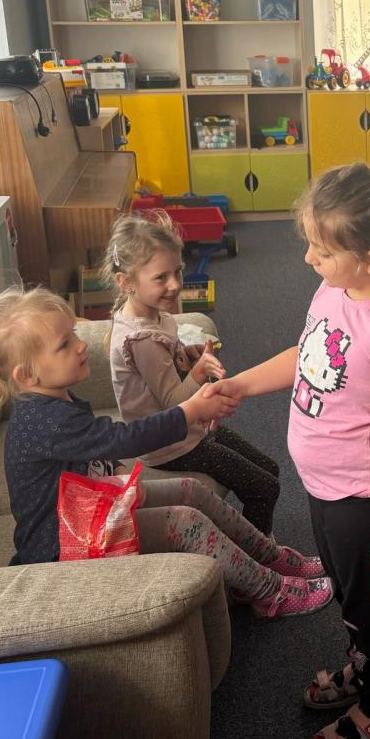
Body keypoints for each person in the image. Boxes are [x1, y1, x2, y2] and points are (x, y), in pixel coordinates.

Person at [205, 164, 370, 739]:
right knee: (349, 595)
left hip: (366, 500)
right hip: (326, 488)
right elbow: (307, 353)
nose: (309, 258)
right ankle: (363, 666)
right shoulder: (338, 291)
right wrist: (242, 384)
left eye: (323, 249)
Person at [0, 286, 333, 618]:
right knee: (183, 523)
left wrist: (119, 466)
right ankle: (268, 592)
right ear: (26, 376)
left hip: (92, 509)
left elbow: (95, 450)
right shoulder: (44, 420)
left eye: (73, 334)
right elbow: (125, 439)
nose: (80, 345)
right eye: (64, 344)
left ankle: (268, 557)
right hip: (65, 546)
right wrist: (190, 411)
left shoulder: (54, 397)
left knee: (191, 490)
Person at [103, 211, 284, 535]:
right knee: (264, 487)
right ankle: (260, 554)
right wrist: (198, 373)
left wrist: (185, 356)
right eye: (161, 277)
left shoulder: (152, 315)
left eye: (178, 271)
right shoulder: (141, 338)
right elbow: (174, 403)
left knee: (269, 470)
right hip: (169, 446)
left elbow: (161, 370)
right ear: (126, 282)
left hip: (187, 432)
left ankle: (254, 540)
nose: (175, 284)